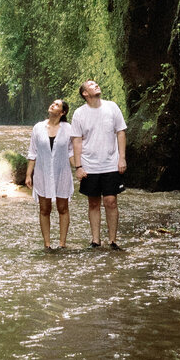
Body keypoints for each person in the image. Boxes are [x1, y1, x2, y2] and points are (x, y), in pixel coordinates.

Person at [70, 79, 127, 249]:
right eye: (91, 85)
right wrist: (78, 167)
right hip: (89, 165)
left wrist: (122, 157)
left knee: (111, 201)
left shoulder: (112, 107)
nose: (96, 85)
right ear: (85, 94)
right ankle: (95, 240)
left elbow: (121, 133)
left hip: (111, 163)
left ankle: (113, 241)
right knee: (93, 203)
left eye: (96, 84)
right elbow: (77, 142)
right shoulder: (79, 113)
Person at [25, 98, 75, 250]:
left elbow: (71, 152)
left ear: (62, 112)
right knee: (44, 209)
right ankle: (47, 245)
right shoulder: (38, 127)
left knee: (63, 208)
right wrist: (28, 175)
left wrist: (79, 168)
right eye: (53, 103)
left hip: (62, 172)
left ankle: (62, 244)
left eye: (57, 105)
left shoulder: (68, 128)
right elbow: (32, 152)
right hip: (42, 172)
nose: (53, 105)